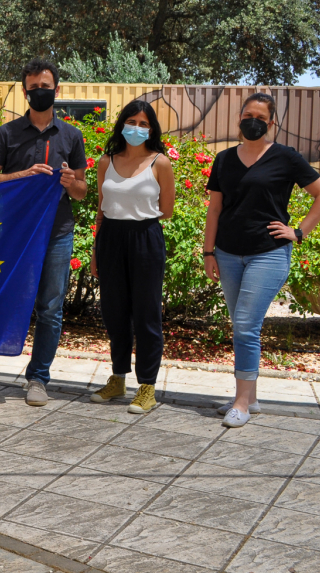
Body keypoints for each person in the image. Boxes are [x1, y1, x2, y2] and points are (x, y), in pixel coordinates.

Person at [0, 59, 87, 406]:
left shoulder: (71, 135)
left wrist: (69, 182)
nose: (41, 91)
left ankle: (38, 379)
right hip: (10, 234)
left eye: (46, 85)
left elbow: (82, 190)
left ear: (58, 89)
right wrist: (21, 176)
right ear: (25, 92)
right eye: (34, 86)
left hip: (56, 232)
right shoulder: (6, 133)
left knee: (50, 308)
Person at [204, 93, 320, 428]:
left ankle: (242, 402)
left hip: (269, 253)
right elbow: (215, 209)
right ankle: (253, 398)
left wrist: (299, 231)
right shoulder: (224, 159)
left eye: (261, 117)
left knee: (246, 325)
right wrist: (208, 252)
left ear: (271, 123)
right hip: (228, 253)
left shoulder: (285, 158)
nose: (253, 121)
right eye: (248, 114)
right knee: (243, 325)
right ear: (239, 118)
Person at [88, 100, 175, 414]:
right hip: (110, 237)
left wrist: (139, 220)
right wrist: (96, 252)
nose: (136, 128)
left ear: (151, 129)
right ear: (121, 124)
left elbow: (167, 209)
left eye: (143, 123)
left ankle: (147, 388)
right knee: (114, 313)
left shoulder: (160, 163)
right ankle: (117, 379)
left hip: (145, 238)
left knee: (146, 314)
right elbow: (101, 210)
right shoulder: (105, 162)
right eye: (131, 121)